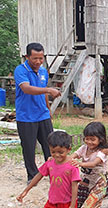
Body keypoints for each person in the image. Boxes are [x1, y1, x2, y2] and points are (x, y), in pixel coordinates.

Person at [14, 42, 61, 184]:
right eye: (35, 58)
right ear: (27, 56)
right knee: (29, 148)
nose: (38, 62)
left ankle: (54, 172)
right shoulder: (20, 70)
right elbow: (27, 89)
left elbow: (43, 90)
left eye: (41, 58)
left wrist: (48, 109)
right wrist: (48, 90)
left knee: (51, 145)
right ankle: (32, 175)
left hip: (43, 115)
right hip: (26, 116)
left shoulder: (43, 71)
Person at [70, 122, 108, 208]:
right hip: (88, 184)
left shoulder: (102, 152)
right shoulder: (83, 148)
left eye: (93, 139)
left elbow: (93, 163)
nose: (89, 142)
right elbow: (72, 156)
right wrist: (57, 159)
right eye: (87, 139)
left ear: (101, 139)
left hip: (100, 185)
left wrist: (79, 163)